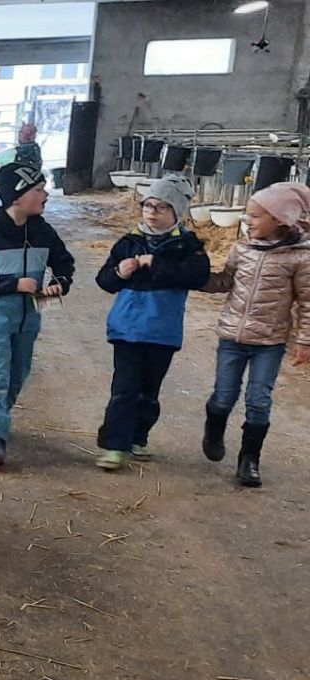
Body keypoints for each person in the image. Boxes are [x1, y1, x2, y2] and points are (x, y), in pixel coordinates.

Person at [92, 175, 210, 471]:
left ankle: (138, 435)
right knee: (124, 388)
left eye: (161, 207)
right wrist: (119, 273)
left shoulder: (187, 245)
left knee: (149, 391)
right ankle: (115, 446)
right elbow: (104, 281)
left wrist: (156, 264)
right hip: (127, 328)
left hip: (162, 330)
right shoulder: (128, 242)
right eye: (147, 205)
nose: (152, 212)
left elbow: (197, 277)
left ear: (177, 211)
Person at [0, 162, 75, 469]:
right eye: (38, 190)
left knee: (18, 373)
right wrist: (13, 284)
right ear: (16, 197)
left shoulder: (43, 231)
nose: (45, 195)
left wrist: (59, 283)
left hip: (28, 318)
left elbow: (64, 263)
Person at [199, 182, 310, 487]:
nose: (247, 220)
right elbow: (225, 282)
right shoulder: (241, 249)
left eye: (255, 216)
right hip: (232, 338)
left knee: (259, 400)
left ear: (280, 219)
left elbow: (307, 302)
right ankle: (214, 428)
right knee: (224, 396)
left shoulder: (300, 257)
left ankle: (249, 460)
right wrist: (195, 276)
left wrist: (304, 340)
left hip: (269, 342)